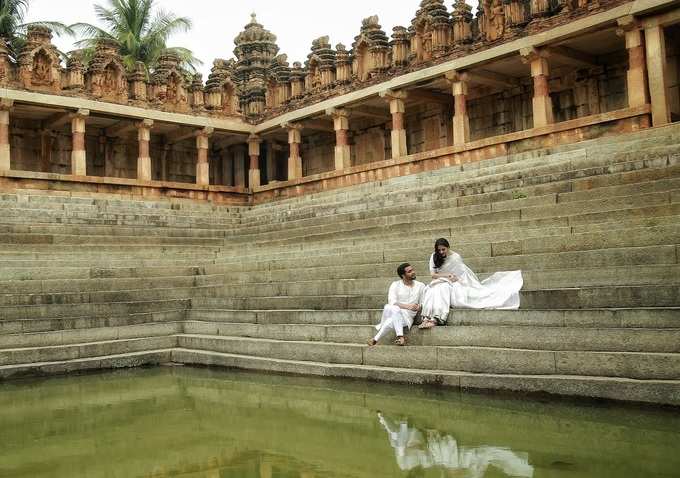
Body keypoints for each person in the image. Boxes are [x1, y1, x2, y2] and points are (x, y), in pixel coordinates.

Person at [419, 238, 523, 329]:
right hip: (440, 279)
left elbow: (458, 275)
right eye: (439, 250)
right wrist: (446, 276)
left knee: (442, 289)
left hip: (453, 281)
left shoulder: (455, 257)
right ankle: (426, 318)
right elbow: (433, 275)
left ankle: (436, 318)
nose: (441, 252)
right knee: (431, 290)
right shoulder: (434, 256)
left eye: (443, 249)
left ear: (448, 247)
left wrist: (451, 278)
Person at [369, 263, 426, 346]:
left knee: (390, 320)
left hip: (407, 317)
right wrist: (408, 306)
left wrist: (418, 307)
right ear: (403, 275)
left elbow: (423, 302)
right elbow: (392, 302)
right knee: (390, 307)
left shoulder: (420, 286)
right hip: (393, 311)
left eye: (412, 270)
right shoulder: (395, 285)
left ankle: (375, 339)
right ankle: (400, 336)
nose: (413, 272)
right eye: (409, 271)